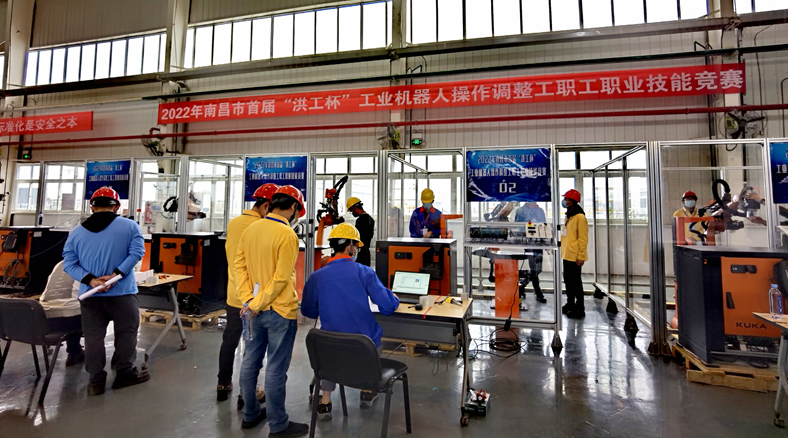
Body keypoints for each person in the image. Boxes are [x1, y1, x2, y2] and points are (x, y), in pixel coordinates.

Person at [301, 223, 400, 421]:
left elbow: (308, 311)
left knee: (330, 346)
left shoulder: (316, 276)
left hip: (330, 350)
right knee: (371, 339)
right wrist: (393, 297)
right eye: (356, 246)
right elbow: (387, 306)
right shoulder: (365, 272)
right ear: (350, 247)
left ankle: (325, 400)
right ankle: (367, 389)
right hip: (363, 348)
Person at [234, 185, 309, 437]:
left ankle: (250, 414)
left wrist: (248, 300)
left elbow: (239, 268)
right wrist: (257, 303)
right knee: (276, 368)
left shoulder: (251, 229)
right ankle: (278, 425)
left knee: (250, 362)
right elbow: (281, 278)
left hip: (252, 311)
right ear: (293, 207)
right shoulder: (287, 235)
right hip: (279, 312)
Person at [62, 187, 147, 396]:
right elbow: (137, 253)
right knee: (126, 333)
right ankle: (124, 373)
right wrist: (116, 275)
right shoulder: (130, 226)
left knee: (93, 337)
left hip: (90, 296)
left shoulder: (76, 233)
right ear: (117, 206)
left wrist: (91, 281)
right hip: (122, 293)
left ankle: (96, 381)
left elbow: (69, 264)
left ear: (92, 207)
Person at [217, 183, 278, 406]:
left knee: (230, 340)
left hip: (234, 294)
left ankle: (223, 384)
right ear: (266, 206)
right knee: (253, 345)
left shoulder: (234, 223)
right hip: (254, 297)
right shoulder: (262, 226)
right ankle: (247, 393)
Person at [39, 260, 84, 366]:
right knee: (92, 310)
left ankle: (75, 351)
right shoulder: (91, 263)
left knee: (71, 304)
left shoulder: (60, 263)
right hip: (72, 320)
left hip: (45, 318)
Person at [560, 189, 589, 319]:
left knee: (576, 283)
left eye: (566, 199)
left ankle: (580, 308)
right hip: (566, 254)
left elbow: (583, 238)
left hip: (575, 256)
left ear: (573, 201)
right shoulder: (569, 215)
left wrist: (581, 256)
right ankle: (570, 303)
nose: (564, 201)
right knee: (568, 281)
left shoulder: (580, 217)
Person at [514, 202, 547, 304]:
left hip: (539, 242)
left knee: (538, 269)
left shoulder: (540, 211)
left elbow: (544, 225)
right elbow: (517, 225)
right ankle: (538, 292)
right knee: (534, 268)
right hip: (528, 242)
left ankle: (522, 284)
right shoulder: (520, 211)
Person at [346, 197, 374, 266]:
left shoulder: (360, 220)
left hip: (360, 254)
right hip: (366, 253)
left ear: (354, 208)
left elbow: (357, 238)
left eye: (351, 211)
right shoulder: (371, 219)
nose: (352, 213)